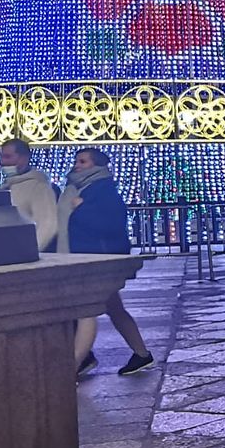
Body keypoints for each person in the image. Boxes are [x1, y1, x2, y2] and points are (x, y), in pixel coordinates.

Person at [59, 146, 154, 376]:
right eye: (77, 161)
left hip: (96, 260)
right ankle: (141, 354)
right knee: (114, 308)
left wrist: (80, 209)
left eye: (83, 162)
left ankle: (73, 367)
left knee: (87, 312)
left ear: (97, 166)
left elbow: (110, 223)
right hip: (92, 257)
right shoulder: (83, 188)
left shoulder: (101, 190)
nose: (76, 166)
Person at [0, 138, 58, 251]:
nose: (2, 162)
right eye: (1, 157)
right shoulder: (7, 186)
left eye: (8, 157)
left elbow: (48, 225)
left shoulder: (38, 187)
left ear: (24, 158)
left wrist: (31, 251)